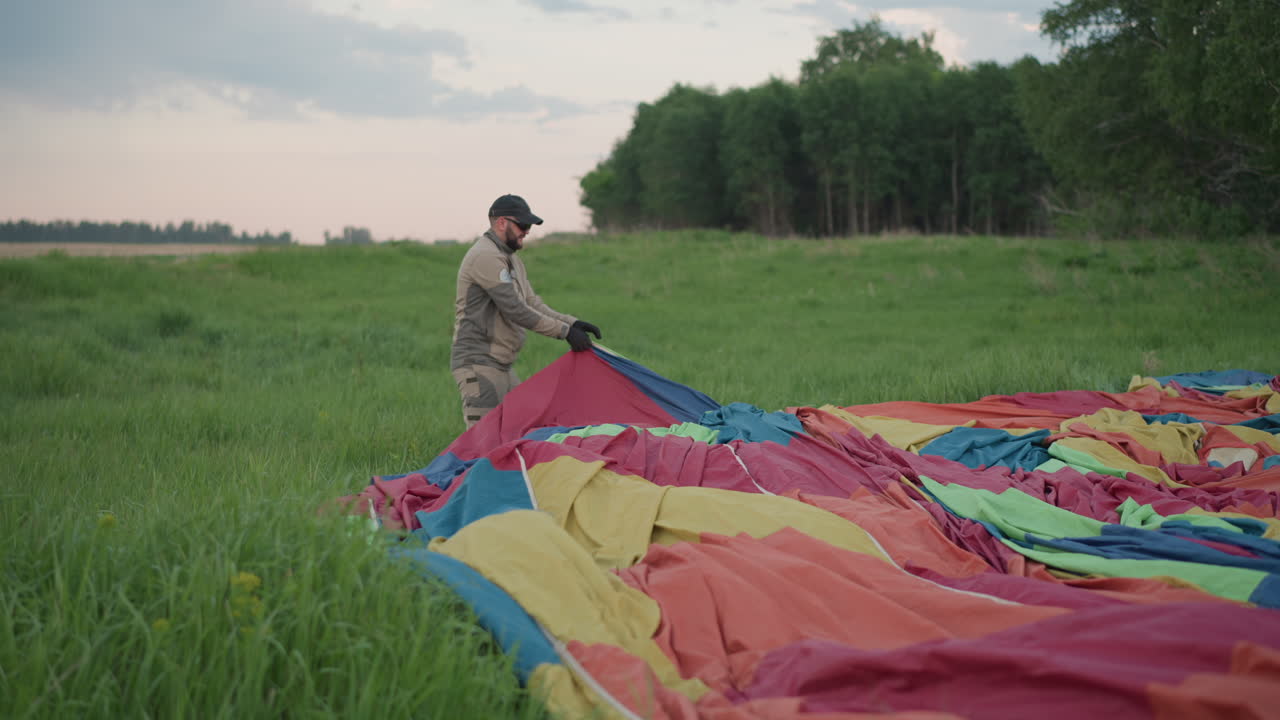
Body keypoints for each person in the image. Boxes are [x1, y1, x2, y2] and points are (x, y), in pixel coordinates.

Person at [450, 194, 602, 428]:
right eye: (522, 225)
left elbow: (532, 303)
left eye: (528, 226)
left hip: (500, 365)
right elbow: (516, 310)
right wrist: (564, 333)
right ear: (502, 223)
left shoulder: (510, 258)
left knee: (522, 430)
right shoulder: (486, 256)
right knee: (481, 445)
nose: (527, 231)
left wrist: (573, 323)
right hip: (479, 363)